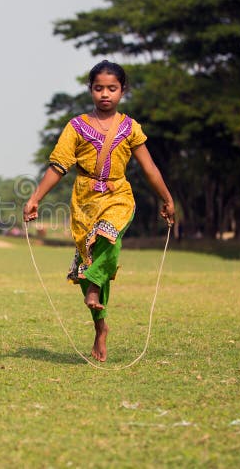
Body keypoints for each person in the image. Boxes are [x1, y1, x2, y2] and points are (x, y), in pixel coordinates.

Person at [23, 60, 174, 362]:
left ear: (122, 91)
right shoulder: (76, 127)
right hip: (84, 201)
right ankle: (100, 327)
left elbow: (149, 168)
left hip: (119, 195)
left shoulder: (130, 128)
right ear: (91, 90)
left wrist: (167, 198)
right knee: (88, 263)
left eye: (112, 88)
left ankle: (94, 287)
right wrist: (35, 197)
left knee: (109, 234)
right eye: (99, 88)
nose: (105, 94)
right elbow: (58, 166)